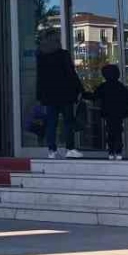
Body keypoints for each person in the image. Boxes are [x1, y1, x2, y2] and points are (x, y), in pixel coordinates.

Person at [35, 30, 85, 159]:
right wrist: (80, 89)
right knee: (68, 122)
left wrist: (39, 96)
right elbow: (71, 73)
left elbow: (40, 78)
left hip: (49, 95)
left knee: (51, 122)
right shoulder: (63, 54)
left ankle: (52, 150)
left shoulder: (41, 56)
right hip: (65, 94)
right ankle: (70, 148)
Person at [84, 63, 128, 160]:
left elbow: (94, 96)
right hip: (119, 113)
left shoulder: (104, 86)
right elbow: (127, 101)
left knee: (110, 132)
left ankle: (111, 151)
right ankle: (118, 151)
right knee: (118, 131)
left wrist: (83, 94)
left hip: (108, 113)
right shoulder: (121, 86)